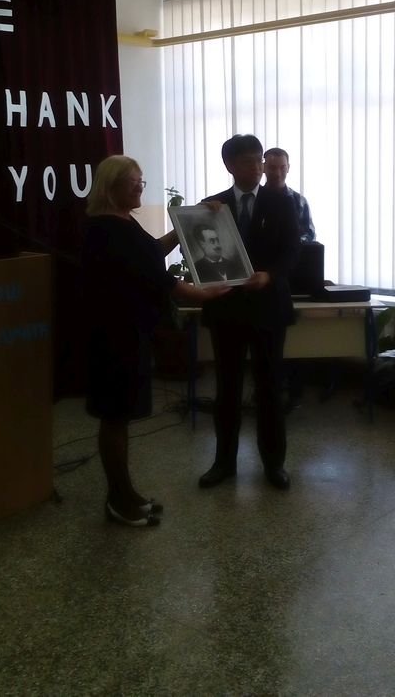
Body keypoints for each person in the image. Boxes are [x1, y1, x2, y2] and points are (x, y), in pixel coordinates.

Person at [81, 155, 229, 528]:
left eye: (141, 181)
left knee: (120, 417)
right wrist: (201, 293)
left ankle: (125, 493)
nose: (140, 187)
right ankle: (118, 502)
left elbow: (151, 254)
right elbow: (156, 278)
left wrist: (187, 223)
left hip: (130, 332)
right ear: (111, 185)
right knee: (115, 417)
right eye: (133, 181)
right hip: (113, 336)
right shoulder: (104, 228)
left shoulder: (123, 221)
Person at [198, 134, 301, 490]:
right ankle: (223, 463)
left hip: (268, 308)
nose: (258, 168)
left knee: (270, 387)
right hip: (227, 309)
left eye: (260, 160)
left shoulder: (282, 202)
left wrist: (269, 275)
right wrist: (203, 219)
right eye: (248, 162)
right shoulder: (212, 206)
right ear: (230, 165)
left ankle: (274, 464)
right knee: (227, 388)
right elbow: (199, 252)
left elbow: (293, 251)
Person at [263, 147, 316, 242]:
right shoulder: (256, 198)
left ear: (288, 168)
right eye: (272, 168)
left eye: (282, 168)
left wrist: (293, 242)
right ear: (263, 168)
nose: (278, 173)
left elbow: (309, 234)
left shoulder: (300, 201)